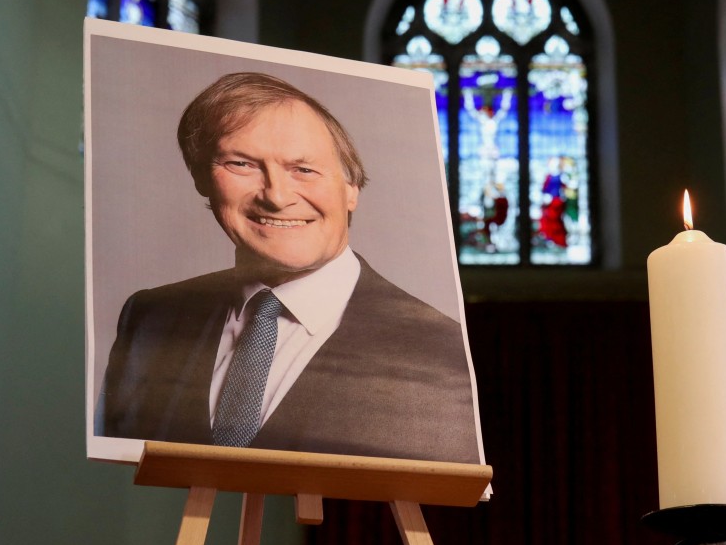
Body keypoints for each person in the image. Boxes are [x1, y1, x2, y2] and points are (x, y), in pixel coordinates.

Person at [96, 72, 480, 464]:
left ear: (352, 189)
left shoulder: (432, 346)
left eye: (303, 169)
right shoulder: (149, 319)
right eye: (241, 163)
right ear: (200, 179)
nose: (277, 197)